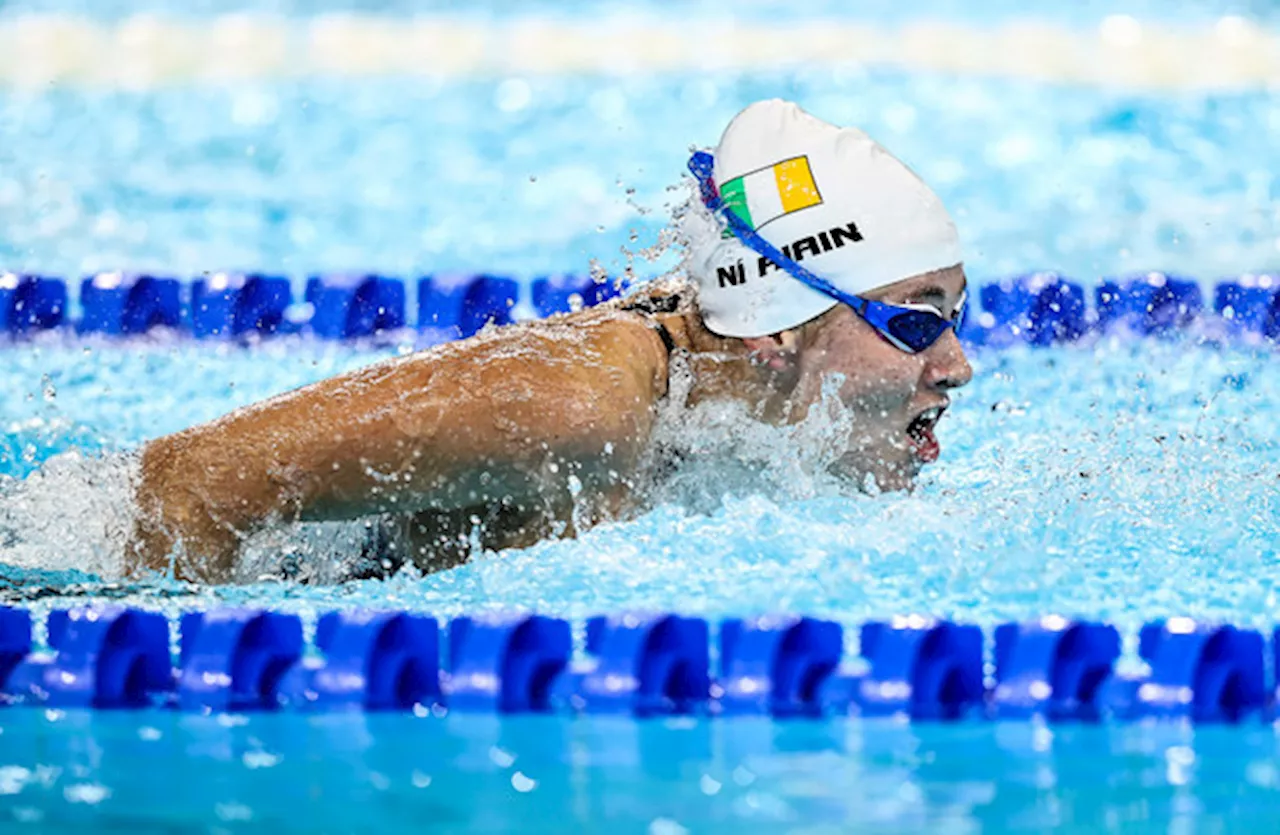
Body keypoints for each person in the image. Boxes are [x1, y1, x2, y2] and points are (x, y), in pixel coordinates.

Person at [129, 99, 972, 584]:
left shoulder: (732, 387)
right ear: (779, 328)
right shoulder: (582, 405)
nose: (957, 367)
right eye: (915, 319)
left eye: (956, 316)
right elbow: (188, 486)